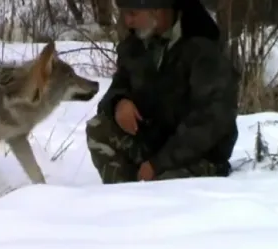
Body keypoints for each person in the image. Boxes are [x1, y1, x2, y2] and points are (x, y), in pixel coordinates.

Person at [85, 0, 240, 183]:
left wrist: (158, 164)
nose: (128, 22)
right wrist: (119, 102)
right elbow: (118, 86)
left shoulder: (204, 49)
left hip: (198, 155)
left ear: (157, 11)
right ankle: (124, 199)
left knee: (164, 183)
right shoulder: (136, 46)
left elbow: (212, 120)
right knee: (99, 128)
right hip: (153, 145)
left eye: (133, 13)